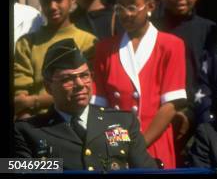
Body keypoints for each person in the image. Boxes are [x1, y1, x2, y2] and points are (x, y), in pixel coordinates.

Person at [92, 0, 187, 169]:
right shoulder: (104, 48)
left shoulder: (171, 45)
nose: (125, 14)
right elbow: (99, 108)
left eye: (133, 7)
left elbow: (169, 106)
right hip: (115, 146)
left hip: (154, 143)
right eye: (120, 8)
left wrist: (138, 146)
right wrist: (119, 147)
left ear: (151, 6)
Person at [13, 39, 158, 171]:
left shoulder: (123, 122)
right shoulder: (28, 131)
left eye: (84, 76)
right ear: (48, 87)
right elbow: (10, 168)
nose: (80, 85)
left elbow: (148, 170)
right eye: (67, 79)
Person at [14, 0, 97, 119]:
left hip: (77, 121)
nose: (52, 6)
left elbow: (84, 91)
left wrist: (34, 101)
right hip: (35, 125)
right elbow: (20, 97)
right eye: (46, 0)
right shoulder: (26, 43)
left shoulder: (88, 42)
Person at [155, 0, 217, 165]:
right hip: (159, 115)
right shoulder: (152, 29)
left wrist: (190, 112)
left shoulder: (209, 30)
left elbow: (210, 76)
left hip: (197, 115)